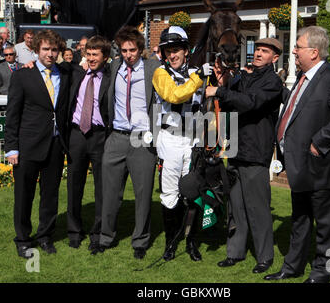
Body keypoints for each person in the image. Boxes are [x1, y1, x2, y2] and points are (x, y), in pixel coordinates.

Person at [264, 26, 330, 283]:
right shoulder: (302, 76)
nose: (294, 51)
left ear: (314, 52)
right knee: (300, 220)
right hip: (301, 166)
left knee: (327, 227)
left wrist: (320, 141)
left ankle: (325, 272)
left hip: (323, 167)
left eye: (298, 47)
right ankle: (292, 267)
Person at [205, 37, 284, 273]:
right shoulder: (244, 77)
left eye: (265, 51)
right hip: (235, 149)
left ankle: (264, 257)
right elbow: (231, 104)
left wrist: (219, 90)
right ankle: (235, 252)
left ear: (275, 57)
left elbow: (250, 103)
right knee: (236, 206)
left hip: (255, 152)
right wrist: (225, 83)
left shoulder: (272, 82)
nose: (258, 53)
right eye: (257, 49)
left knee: (258, 208)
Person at [5, 29, 71, 258]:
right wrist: (11, 147)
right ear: (36, 50)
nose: (50, 54)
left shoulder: (64, 73)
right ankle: (23, 239)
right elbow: (12, 114)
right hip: (27, 146)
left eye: (54, 50)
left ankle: (45, 236)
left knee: (50, 195)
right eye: (45, 49)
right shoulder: (23, 75)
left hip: (55, 144)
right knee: (24, 196)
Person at [97, 26, 160, 259]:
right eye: (124, 50)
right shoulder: (114, 67)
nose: (128, 55)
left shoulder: (154, 68)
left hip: (142, 138)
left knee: (143, 193)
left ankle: (140, 241)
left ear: (140, 49)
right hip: (116, 136)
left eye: (132, 50)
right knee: (110, 193)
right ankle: (106, 237)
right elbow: (91, 65)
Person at [152, 26, 212, 262]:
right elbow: (174, 96)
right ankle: (171, 243)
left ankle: (191, 242)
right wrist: (198, 78)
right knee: (170, 194)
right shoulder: (160, 73)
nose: (172, 55)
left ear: (187, 51)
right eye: (168, 51)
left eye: (176, 50)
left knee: (193, 192)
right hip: (171, 140)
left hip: (194, 140)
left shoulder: (200, 71)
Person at [67, 36, 111, 252]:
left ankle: (97, 233)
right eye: (88, 54)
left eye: (95, 55)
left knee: (102, 188)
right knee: (74, 184)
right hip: (76, 134)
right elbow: (51, 66)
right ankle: (74, 231)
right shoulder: (76, 72)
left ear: (105, 57)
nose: (91, 58)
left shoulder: (111, 77)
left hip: (100, 136)